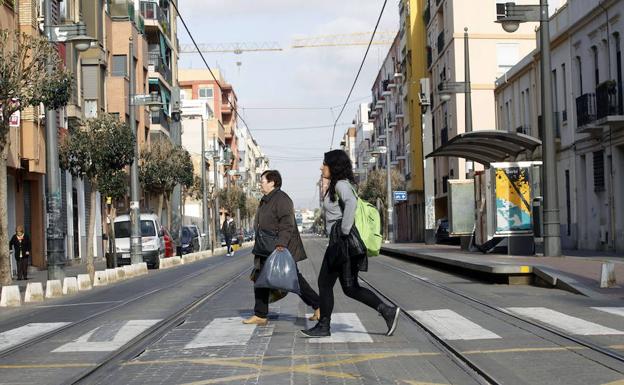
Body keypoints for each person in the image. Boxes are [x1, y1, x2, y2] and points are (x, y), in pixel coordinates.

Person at [301, 149, 400, 338]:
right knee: (350, 287)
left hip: (340, 243)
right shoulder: (339, 185)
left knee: (324, 283)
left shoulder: (341, 185)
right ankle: (387, 311)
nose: (322, 167)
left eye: (325, 163)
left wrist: (344, 232)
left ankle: (324, 326)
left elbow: (351, 203)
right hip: (342, 243)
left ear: (334, 166)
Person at [244, 170, 321, 326]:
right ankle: (260, 314)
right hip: (265, 246)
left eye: (263, 181)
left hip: (278, 247)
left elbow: (287, 223)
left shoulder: (282, 199)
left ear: (272, 182)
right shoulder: (266, 200)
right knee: (260, 278)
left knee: (294, 280)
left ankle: (319, 305)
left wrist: (281, 243)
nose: (260, 184)